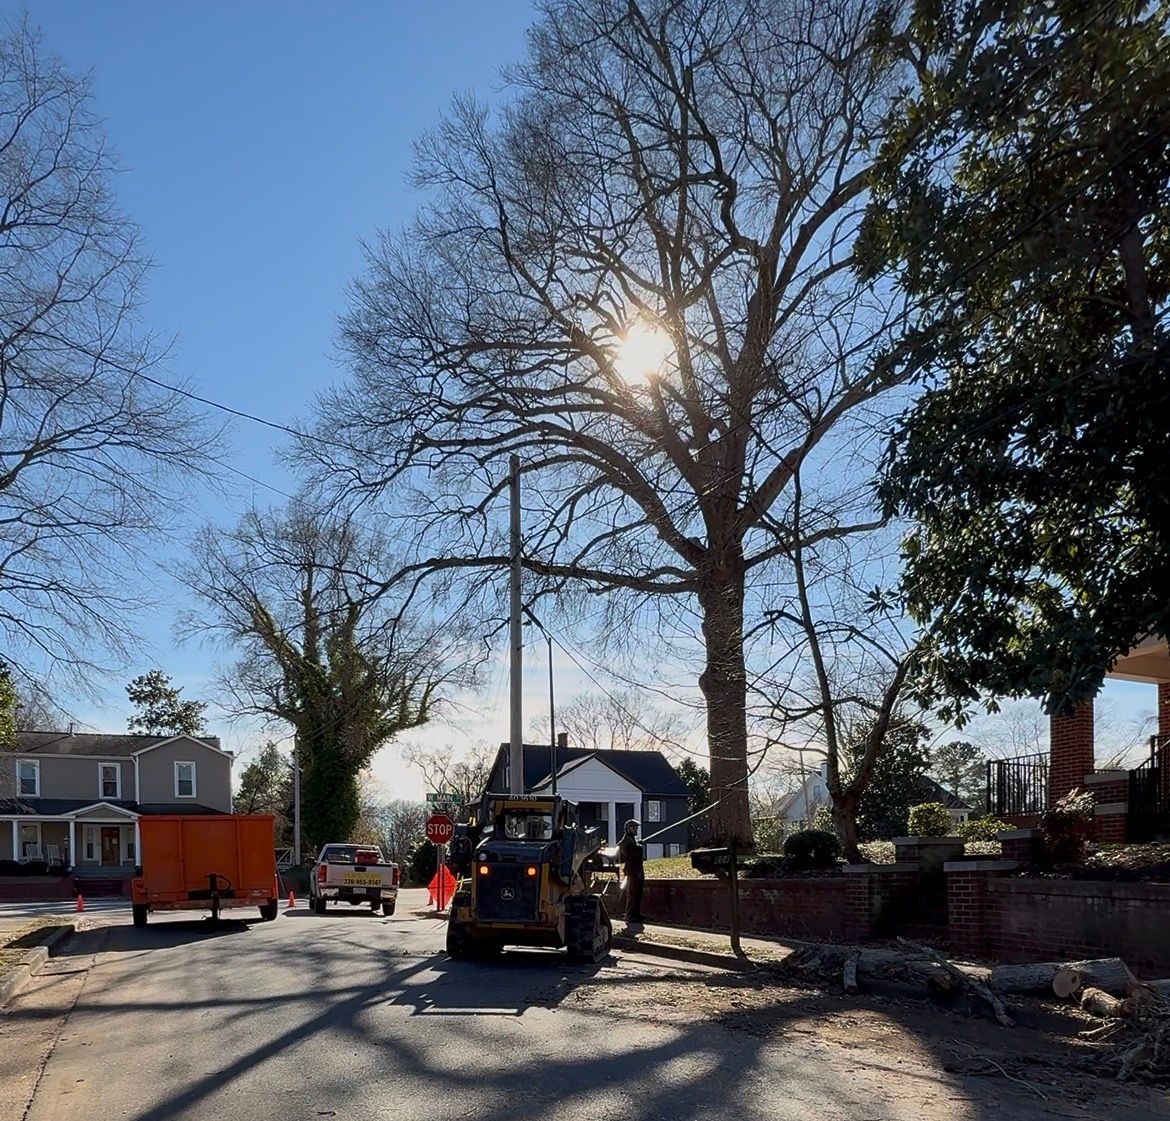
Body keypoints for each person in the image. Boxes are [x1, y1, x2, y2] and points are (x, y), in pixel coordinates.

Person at [616, 818, 645, 923]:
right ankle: (630, 915)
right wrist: (636, 848)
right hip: (632, 871)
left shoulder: (632, 840)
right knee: (632, 893)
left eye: (636, 828)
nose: (636, 829)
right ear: (628, 829)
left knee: (638, 893)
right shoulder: (626, 840)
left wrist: (637, 846)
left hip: (638, 870)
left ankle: (636, 914)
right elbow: (622, 851)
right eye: (634, 828)